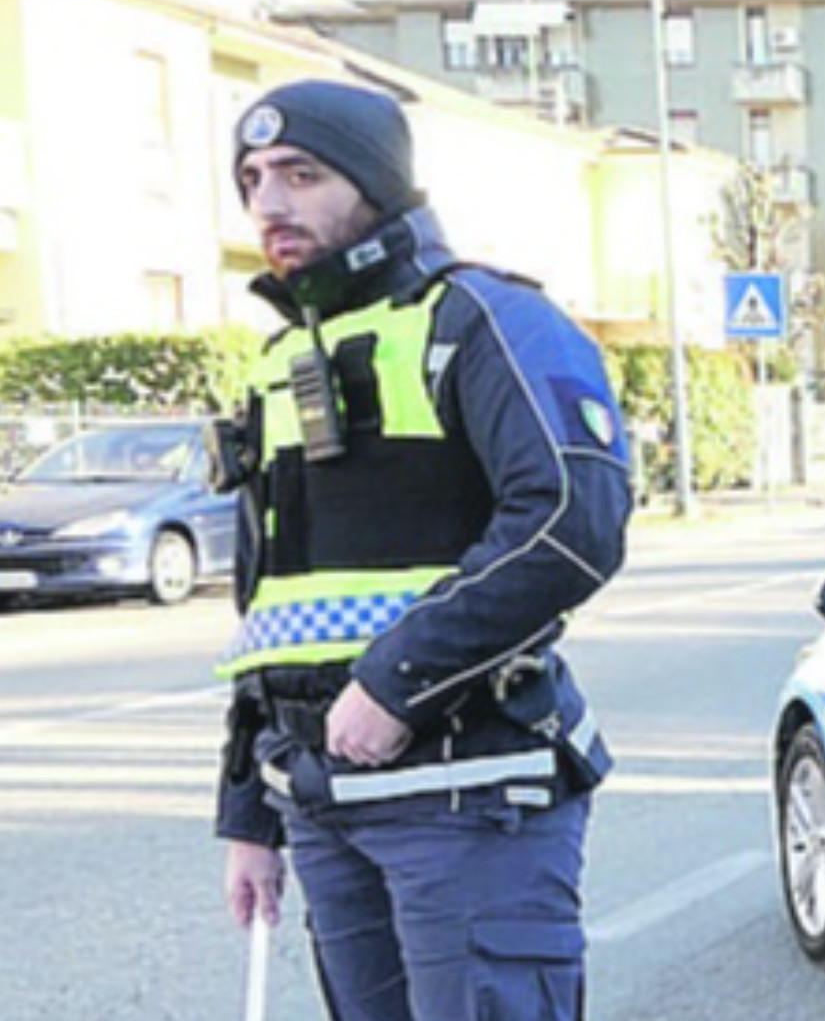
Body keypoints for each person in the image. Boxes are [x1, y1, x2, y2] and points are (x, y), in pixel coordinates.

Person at [211, 78, 628, 1021]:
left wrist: (398, 680)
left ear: (377, 180)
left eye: (300, 173)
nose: (269, 203)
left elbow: (572, 517)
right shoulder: (282, 364)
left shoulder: (483, 320)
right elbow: (269, 613)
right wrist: (249, 812)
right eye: (250, 178)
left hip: (465, 794)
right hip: (319, 803)